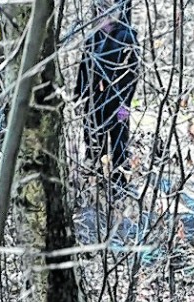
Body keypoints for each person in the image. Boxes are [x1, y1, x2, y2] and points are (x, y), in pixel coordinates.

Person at [76, 0, 140, 174]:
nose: (103, 13)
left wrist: (125, 102)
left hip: (120, 99)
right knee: (94, 140)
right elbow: (84, 69)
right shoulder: (93, 38)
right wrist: (79, 96)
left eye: (107, 9)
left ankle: (120, 179)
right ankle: (95, 175)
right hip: (95, 100)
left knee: (119, 140)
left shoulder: (127, 36)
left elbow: (133, 73)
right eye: (100, 9)